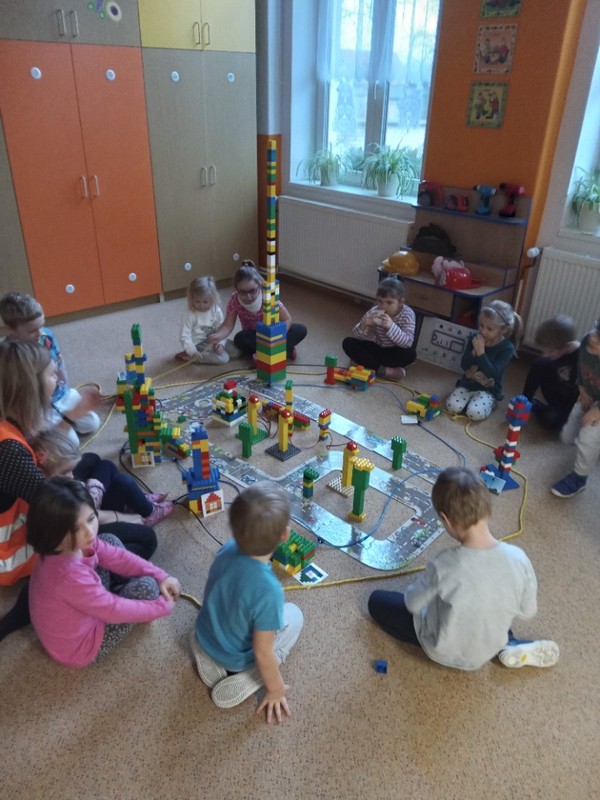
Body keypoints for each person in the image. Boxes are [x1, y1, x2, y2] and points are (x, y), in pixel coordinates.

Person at [0, 340, 158, 642]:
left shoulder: (13, 419)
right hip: (22, 544)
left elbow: (47, 455)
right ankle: (82, 593)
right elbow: (67, 511)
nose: (59, 376)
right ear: (30, 387)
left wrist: (72, 415)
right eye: (50, 374)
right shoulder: (9, 452)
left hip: (38, 504)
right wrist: (117, 516)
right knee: (144, 538)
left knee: (94, 462)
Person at [368, 466, 559, 671]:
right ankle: (508, 643)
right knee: (495, 600)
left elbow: (413, 604)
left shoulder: (444, 564)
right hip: (487, 649)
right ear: (488, 510)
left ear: (446, 520)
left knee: (377, 601)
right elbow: (527, 611)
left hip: (441, 649)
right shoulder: (519, 558)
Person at [27, 477, 180, 668]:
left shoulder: (63, 546)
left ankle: (121, 590)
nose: (90, 532)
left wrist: (161, 575)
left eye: (91, 519)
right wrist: (160, 608)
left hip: (79, 608)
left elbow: (117, 556)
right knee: (148, 588)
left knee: (108, 539)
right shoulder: (68, 576)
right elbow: (112, 610)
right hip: (82, 647)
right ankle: (127, 595)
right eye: (76, 528)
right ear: (53, 532)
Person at [190, 481, 304, 723]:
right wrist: (276, 689)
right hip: (236, 658)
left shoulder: (227, 549)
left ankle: (206, 650)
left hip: (204, 633)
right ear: (284, 536)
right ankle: (252, 675)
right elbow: (262, 651)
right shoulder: (269, 591)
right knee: (295, 616)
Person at [0, 291, 101, 445]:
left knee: (92, 422)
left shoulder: (46, 336)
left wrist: (64, 387)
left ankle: (61, 424)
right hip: (38, 407)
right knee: (71, 442)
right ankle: (59, 427)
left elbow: (59, 363)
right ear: (10, 329)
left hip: (60, 395)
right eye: (32, 330)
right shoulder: (11, 356)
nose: (40, 333)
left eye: (42, 326)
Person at [31, 429, 174, 527]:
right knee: (124, 482)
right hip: (94, 514)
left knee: (106, 465)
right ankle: (150, 514)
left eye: (70, 470)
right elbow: (89, 514)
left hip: (88, 498)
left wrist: (88, 486)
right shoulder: (55, 502)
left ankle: (137, 500)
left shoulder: (52, 482)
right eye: (64, 472)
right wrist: (92, 489)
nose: (71, 475)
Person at [207, 261, 307, 363]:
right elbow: (228, 326)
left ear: (259, 285)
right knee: (239, 339)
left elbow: (286, 319)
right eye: (243, 292)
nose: (248, 296)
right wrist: (218, 336)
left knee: (300, 330)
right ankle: (283, 350)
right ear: (237, 289)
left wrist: (278, 337)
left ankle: (268, 350)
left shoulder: (268, 295)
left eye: (252, 291)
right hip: (255, 336)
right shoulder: (235, 300)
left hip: (274, 333)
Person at [445, 300, 522, 421]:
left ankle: (491, 402)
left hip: (488, 389)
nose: (483, 331)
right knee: (452, 407)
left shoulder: (507, 348)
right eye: (481, 325)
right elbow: (464, 365)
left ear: (503, 330)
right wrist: (473, 352)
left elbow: (493, 373)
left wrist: (481, 353)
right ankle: (471, 400)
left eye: (489, 329)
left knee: (473, 413)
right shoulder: (474, 338)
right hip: (468, 384)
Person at [551, 317, 600, 498]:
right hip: (591, 393)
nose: (593, 338)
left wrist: (598, 411)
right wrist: (582, 387)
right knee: (567, 435)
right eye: (597, 331)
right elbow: (581, 367)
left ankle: (579, 478)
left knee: (589, 435)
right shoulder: (588, 341)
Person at [342, 277, 416, 381]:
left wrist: (391, 326)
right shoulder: (375, 311)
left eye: (389, 302)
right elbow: (356, 335)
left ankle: (367, 363)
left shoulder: (408, 314)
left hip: (395, 351)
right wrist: (364, 325)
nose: (383, 306)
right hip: (378, 348)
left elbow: (407, 343)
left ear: (401, 302)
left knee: (410, 354)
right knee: (348, 343)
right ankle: (384, 371)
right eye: (380, 301)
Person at [522, 314, 579, 430]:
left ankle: (537, 406)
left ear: (567, 346)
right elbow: (543, 364)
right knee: (539, 362)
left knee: (550, 418)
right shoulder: (554, 354)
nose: (545, 354)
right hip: (556, 390)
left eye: (549, 352)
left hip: (569, 402)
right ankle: (526, 401)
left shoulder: (581, 358)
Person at [175, 276, 230, 364]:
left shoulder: (216, 310)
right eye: (197, 302)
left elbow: (222, 329)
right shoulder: (189, 314)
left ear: (212, 299)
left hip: (215, 339)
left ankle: (202, 353)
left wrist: (221, 344)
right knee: (224, 358)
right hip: (198, 344)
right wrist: (193, 352)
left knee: (236, 352)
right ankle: (189, 356)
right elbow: (184, 336)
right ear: (191, 299)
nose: (201, 305)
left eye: (205, 302)